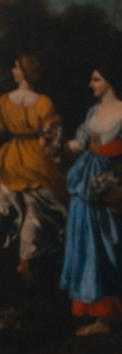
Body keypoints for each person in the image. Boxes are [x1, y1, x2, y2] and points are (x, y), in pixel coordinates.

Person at [0, 54, 67, 281]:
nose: (13, 71)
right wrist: (55, 155)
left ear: (23, 73)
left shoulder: (6, 101)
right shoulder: (44, 102)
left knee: (2, 204)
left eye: (16, 68)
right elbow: (52, 138)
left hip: (11, 160)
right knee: (35, 212)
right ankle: (24, 262)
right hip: (36, 162)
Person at [59, 60, 122, 336]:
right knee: (85, 246)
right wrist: (57, 145)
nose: (91, 84)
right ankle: (99, 317)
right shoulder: (93, 112)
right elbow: (79, 144)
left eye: (96, 79)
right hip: (84, 183)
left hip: (107, 187)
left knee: (108, 246)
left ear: (109, 80)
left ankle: (109, 316)